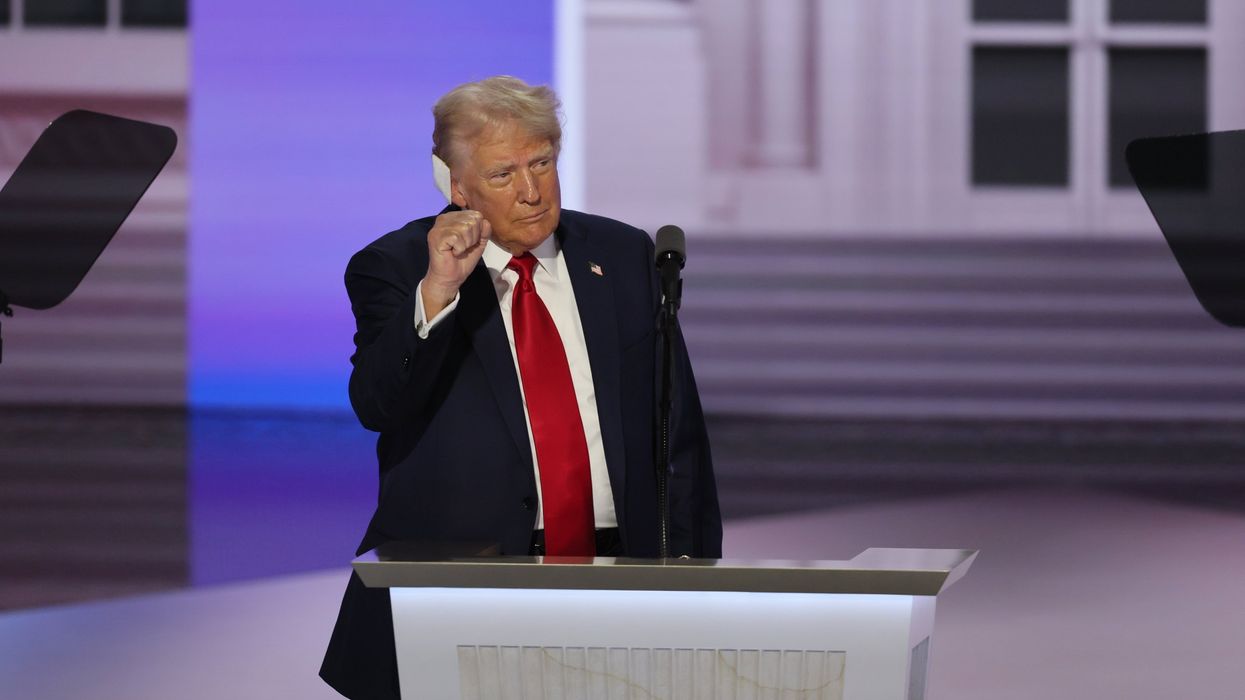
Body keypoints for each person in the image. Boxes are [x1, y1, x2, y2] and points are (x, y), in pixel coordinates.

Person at [320, 75, 721, 699]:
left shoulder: (622, 254)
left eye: (542, 163)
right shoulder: (397, 266)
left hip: (621, 570)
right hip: (462, 584)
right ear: (456, 186)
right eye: (504, 174)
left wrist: (697, 573)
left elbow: (679, 433)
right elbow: (377, 405)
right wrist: (438, 293)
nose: (532, 192)